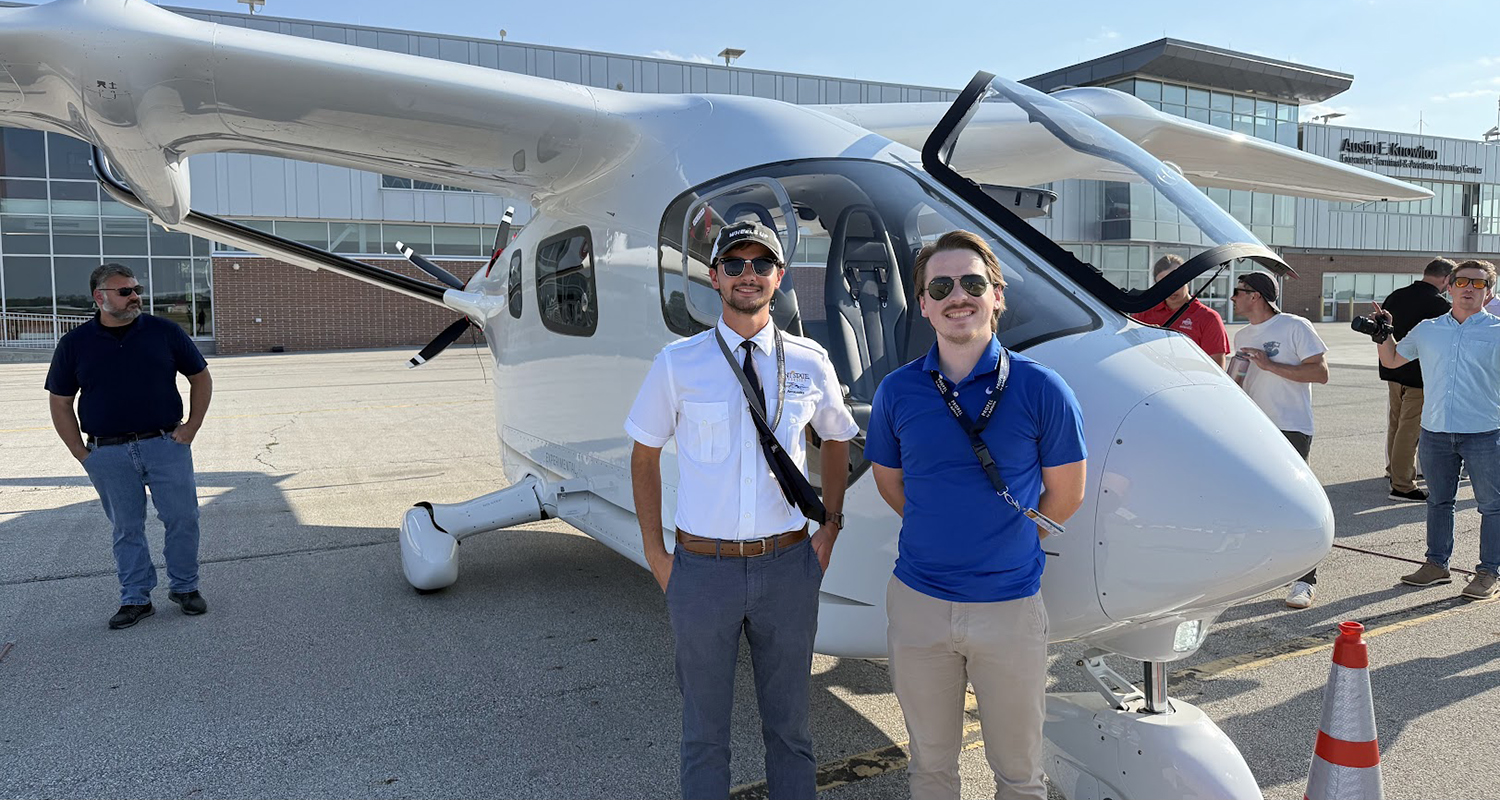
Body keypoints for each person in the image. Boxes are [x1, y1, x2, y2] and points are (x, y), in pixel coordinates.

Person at [626, 220, 858, 800]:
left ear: (779, 278)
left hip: (787, 567)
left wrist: (828, 529)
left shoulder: (809, 361)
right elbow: (644, 457)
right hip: (703, 573)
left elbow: (837, 439)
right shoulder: (678, 364)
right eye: (735, 264)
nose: (747, 275)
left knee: (792, 731)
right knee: (704, 735)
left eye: (761, 264)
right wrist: (658, 555)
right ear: (714, 277)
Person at [865, 230, 1087, 800]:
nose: (956, 296)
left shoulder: (1042, 389)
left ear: (997, 295)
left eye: (971, 282)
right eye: (940, 286)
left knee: (1019, 773)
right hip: (919, 606)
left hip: (1009, 609)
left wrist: (1001, 537)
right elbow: (892, 484)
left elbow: (1066, 495)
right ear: (923, 304)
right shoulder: (898, 391)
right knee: (930, 769)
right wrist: (944, 524)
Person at [45, 263, 213, 629]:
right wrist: (81, 453)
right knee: (126, 528)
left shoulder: (164, 332)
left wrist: (191, 427)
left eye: (136, 289)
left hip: (165, 444)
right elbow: (60, 401)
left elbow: (200, 376)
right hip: (109, 452)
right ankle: (135, 598)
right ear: (99, 297)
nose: (135, 296)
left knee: (183, 519)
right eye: (125, 292)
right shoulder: (74, 345)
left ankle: (185, 588)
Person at [1374, 259, 1500, 601]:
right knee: (1439, 502)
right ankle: (1436, 565)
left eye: (1478, 284)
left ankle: (1489, 571)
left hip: (1485, 432)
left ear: (1489, 293)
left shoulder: (1497, 331)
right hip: (1436, 432)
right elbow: (1393, 360)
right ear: (1450, 286)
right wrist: (1382, 335)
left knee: (1491, 506)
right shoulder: (1428, 328)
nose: (1469, 289)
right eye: (1462, 282)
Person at [1230, 272, 1329, 609]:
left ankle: (1305, 581)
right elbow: (1245, 383)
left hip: (1291, 426)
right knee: (1256, 502)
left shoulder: (1294, 326)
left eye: (1237, 292)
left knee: (1298, 504)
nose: (1232, 298)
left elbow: (1320, 372)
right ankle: (1264, 570)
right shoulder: (1242, 334)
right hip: (1255, 428)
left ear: (1255, 296)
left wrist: (1270, 365)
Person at [1377, 258, 1453, 502]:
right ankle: (1402, 485)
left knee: (1396, 425)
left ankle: (1394, 471)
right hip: (1419, 377)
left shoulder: (1396, 296)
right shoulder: (1439, 305)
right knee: (1409, 431)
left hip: (1393, 370)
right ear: (1445, 280)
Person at [1132, 254, 1231, 367]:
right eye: (1163, 283)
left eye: (1176, 281)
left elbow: (1217, 368)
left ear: (1187, 279)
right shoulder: (1144, 313)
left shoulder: (1209, 318)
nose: (1171, 288)